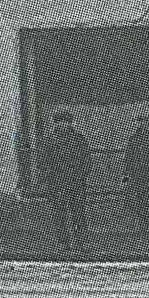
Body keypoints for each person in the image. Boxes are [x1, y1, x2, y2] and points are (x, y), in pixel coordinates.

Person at [38, 108, 94, 253]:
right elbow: (43, 162)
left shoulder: (78, 139)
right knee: (60, 214)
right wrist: (49, 176)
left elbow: (86, 158)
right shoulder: (49, 140)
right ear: (56, 124)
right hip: (57, 184)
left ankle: (82, 242)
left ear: (70, 123)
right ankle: (64, 243)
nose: (64, 125)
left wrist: (81, 174)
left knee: (79, 213)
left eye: (66, 122)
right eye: (60, 123)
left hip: (76, 182)